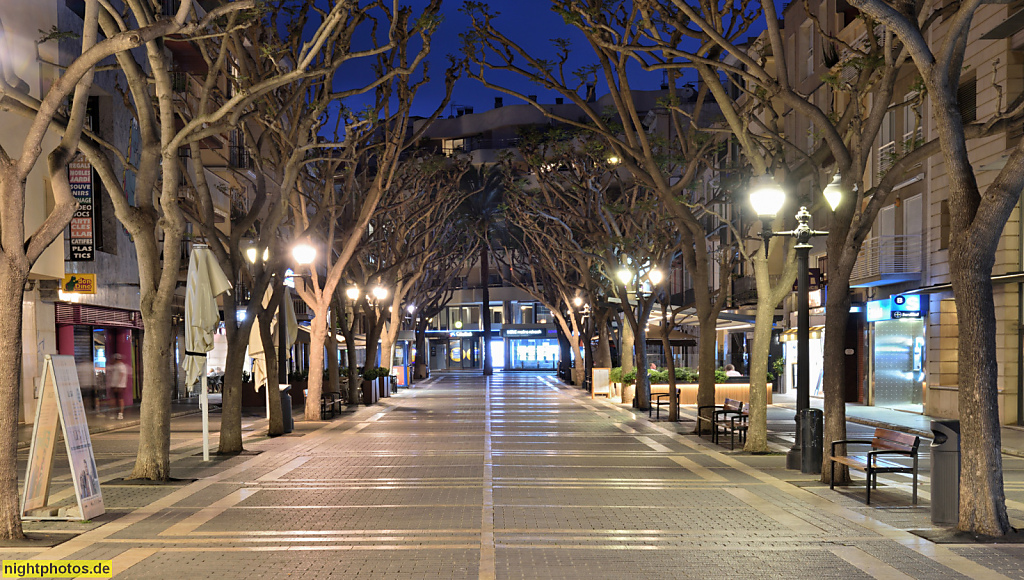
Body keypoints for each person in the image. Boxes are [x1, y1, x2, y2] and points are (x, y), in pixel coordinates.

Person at [107, 354, 128, 420]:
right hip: (114, 385)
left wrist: (118, 384)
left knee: (120, 399)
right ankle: (114, 413)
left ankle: (120, 414)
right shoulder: (114, 366)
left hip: (120, 386)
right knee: (113, 399)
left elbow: (121, 375)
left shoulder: (122, 366)